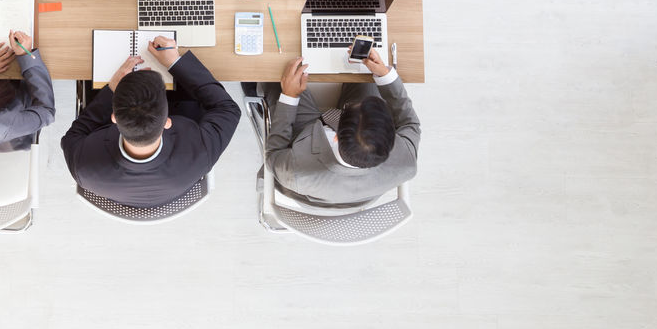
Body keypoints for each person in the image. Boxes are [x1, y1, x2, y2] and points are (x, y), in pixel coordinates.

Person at [61, 35, 240, 208]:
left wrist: (112, 87)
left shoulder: (83, 166)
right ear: (168, 122)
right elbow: (228, 109)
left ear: (114, 118)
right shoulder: (201, 152)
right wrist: (175, 62)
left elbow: (75, 134)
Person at [263, 47, 420, 207]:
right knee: (366, 80)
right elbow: (409, 123)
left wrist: (289, 96)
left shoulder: (295, 172)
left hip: (307, 158)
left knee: (282, 73)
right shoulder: (406, 162)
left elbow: (274, 154)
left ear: (336, 131)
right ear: (391, 139)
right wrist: (385, 76)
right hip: (360, 195)